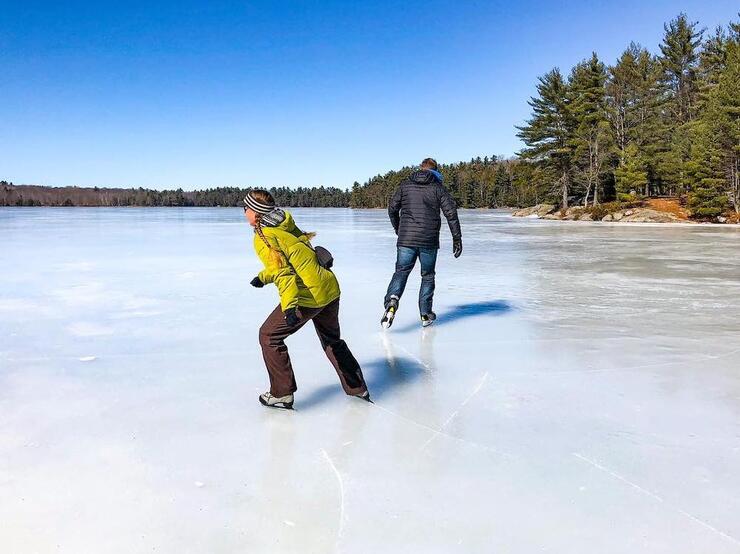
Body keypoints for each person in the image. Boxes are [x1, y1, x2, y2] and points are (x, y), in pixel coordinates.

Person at [244, 190, 370, 409]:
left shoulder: (264, 235)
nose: (244, 212)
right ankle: (358, 388)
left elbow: (284, 274)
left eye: (246, 208)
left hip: (309, 295)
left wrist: (291, 307)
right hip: (329, 289)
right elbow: (291, 261)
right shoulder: (283, 223)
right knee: (332, 339)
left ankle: (282, 393)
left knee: (268, 335)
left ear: (256, 212)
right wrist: (263, 277)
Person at [382, 158, 462, 328]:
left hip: (406, 240)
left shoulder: (405, 185)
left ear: (421, 169)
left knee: (401, 272)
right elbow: (451, 214)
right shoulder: (438, 187)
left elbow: (392, 208)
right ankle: (425, 314)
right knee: (427, 276)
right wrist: (457, 238)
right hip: (428, 241)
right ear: (435, 171)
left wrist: (399, 229)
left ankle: (391, 302)